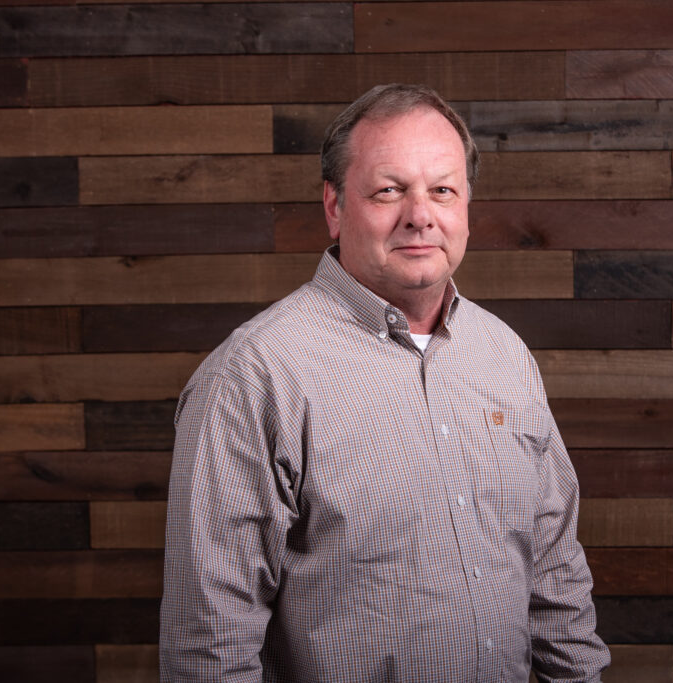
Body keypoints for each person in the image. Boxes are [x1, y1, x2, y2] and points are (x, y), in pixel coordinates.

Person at [160, 83, 610, 682]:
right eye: (389, 190)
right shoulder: (254, 378)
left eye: (442, 190)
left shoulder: (503, 355)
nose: (420, 215)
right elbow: (209, 646)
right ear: (335, 205)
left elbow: (555, 576)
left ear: (466, 207)